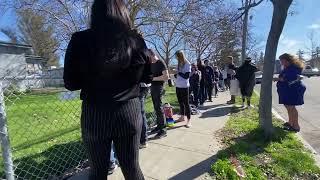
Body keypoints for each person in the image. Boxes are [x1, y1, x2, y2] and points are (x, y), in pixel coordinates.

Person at [63, 0, 152, 179]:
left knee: (98, 171)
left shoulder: (80, 40)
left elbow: (71, 83)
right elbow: (147, 78)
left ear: (94, 13)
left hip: (95, 114)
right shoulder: (136, 40)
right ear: (123, 12)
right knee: (132, 168)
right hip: (129, 112)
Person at [275, 53, 306, 132]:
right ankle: (290, 122)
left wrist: (278, 79)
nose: (281, 62)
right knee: (288, 107)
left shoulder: (294, 68)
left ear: (288, 60)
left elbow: (289, 78)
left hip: (293, 90)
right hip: (287, 90)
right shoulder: (287, 67)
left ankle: (296, 126)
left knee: (291, 107)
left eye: (282, 60)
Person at [150, 49, 170, 138]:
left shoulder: (160, 63)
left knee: (159, 107)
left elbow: (166, 76)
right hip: (153, 87)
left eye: (148, 57)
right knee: (156, 107)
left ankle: (163, 130)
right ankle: (159, 126)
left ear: (152, 55)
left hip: (159, 87)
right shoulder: (151, 64)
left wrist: (153, 78)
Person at [175, 50, 192, 127]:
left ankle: (188, 120)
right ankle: (182, 117)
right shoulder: (178, 63)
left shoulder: (187, 64)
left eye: (177, 57)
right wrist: (175, 74)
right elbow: (178, 75)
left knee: (186, 104)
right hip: (178, 86)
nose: (177, 58)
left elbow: (186, 76)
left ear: (181, 56)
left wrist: (178, 73)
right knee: (180, 102)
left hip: (185, 86)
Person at [139, 82, 150, 149]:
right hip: (144, 86)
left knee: (141, 113)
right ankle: (142, 139)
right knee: (140, 113)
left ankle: (143, 140)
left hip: (141, 87)